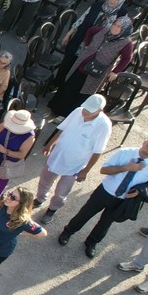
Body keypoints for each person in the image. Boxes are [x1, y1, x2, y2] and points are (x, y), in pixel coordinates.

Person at [57, 136, 148, 259]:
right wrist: (126, 168)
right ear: (144, 142)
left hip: (122, 200)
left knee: (105, 223)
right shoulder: (124, 153)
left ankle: (92, 242)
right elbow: (104, 170)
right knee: (85, 214)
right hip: (105, 192)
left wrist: (139, 191)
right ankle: (68, 232)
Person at [35, 94, 113, 224]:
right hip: (57, 155)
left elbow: (97, 151)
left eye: (89, 111)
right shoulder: (77, 111)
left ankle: (52, 209)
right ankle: (39, 199)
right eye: (85, 108)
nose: (84, 112)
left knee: (61, 192)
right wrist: (50, 144)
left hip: (74, 164)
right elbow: (62, 129)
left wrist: (85, 171)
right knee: (44, 180)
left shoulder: (104, 125)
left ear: (99, 111)